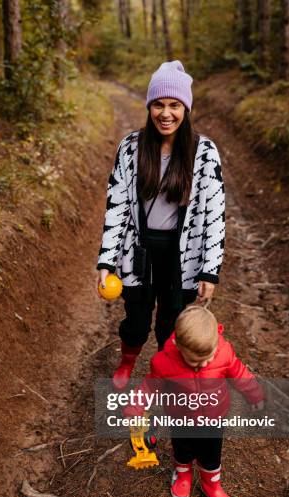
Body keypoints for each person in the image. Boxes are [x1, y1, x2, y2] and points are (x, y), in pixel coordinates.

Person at [96, 60, 226, 389]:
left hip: (182, 257)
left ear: (185, 108)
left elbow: (215, 214)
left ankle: (165, 376)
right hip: (138, 252)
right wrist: (106, 260)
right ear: (149, 107)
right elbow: (116, 206)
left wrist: (210, 270)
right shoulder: (130, 148)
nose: (165, 113)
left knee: (170, 325)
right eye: (158, 104)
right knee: (137, 321)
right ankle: (128, 360)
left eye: (174, 105)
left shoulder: (204, 153)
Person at [124, 302, 265, 497]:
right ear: (179, 347)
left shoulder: (224, 352)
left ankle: (212, 484)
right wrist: (134, 411)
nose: (203, 365)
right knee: (183, 449)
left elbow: (240, 374)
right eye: (195, 362)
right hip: (180, 418)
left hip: (213, 419)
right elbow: (148, 388)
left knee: (211, 454)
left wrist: (255, 395)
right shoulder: (164, 363)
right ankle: (182, 475)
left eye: (208, 358)